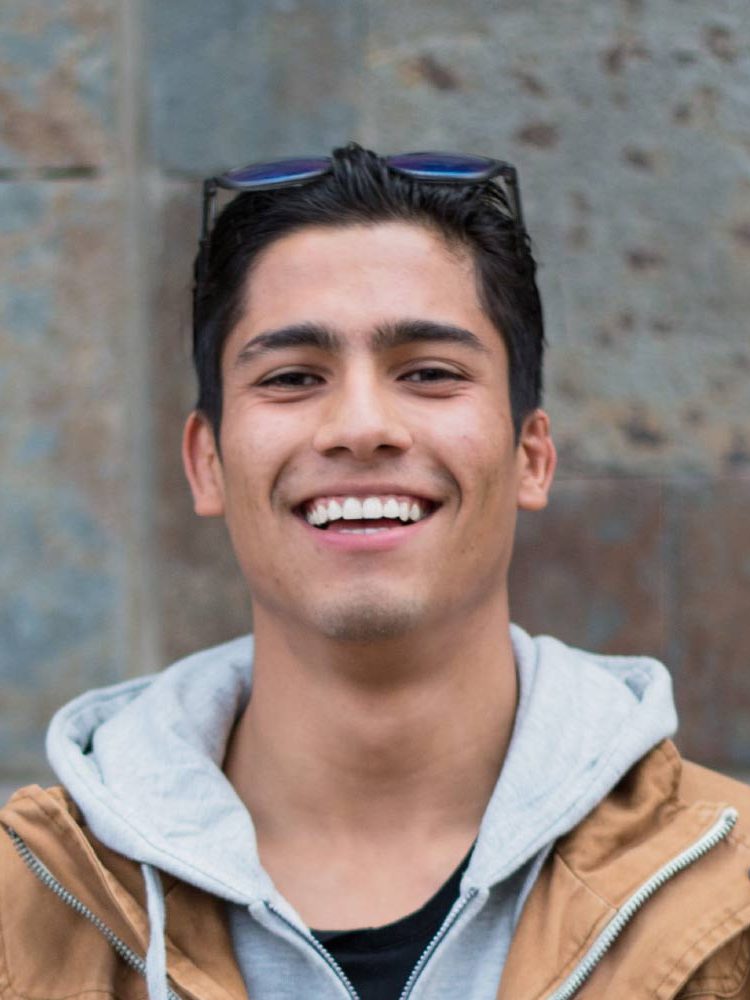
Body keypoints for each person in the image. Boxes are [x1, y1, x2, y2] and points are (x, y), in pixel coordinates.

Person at [1, 144, 749, 1000]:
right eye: (293, 377)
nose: (360, 426)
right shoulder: (26, 916)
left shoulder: (729, 897)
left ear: (532, 456)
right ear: (206, 464)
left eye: (429, 373)